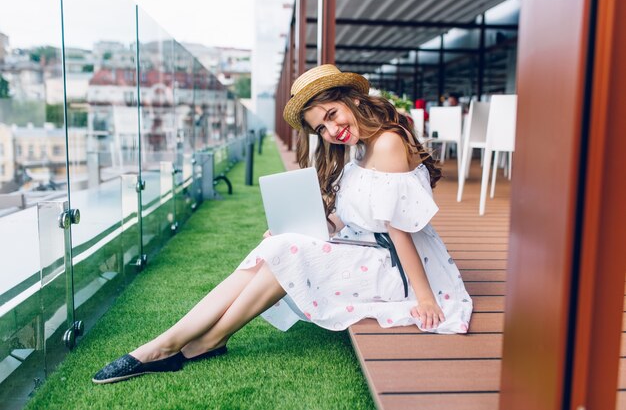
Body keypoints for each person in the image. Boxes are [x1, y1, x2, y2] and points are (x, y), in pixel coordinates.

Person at [92, 64, 473, 384]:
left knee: (287, 253)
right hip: (370, 249)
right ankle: (176, 342)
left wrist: (424, 299)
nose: (331, 131)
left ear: (352, 99)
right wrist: (302, 228)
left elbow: (399, 231)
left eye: (331, 115)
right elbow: (352, 216)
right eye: (321, 128)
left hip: (398, 268)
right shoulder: (358, 146)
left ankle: (183, 345)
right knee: (279, 246)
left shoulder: (387, 143)